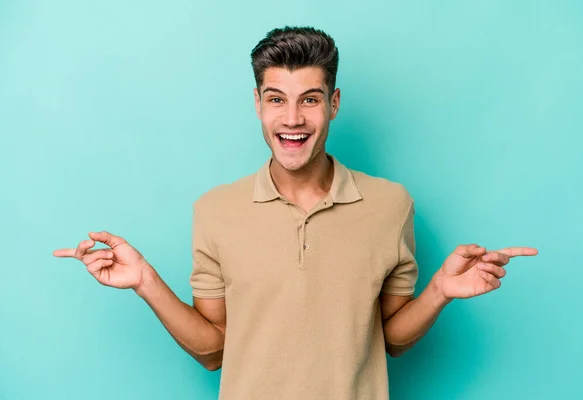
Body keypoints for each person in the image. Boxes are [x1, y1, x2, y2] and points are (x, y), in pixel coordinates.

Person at [53, 26, 538, 400]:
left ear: (334, 104)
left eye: (309, 99)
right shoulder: (216, 210)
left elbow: (391, 339)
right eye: (275, 100)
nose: (292, 119)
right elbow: (213, 350)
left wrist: (438, 292)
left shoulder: (391, 205)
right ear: (258, 106)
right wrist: (145, 282)